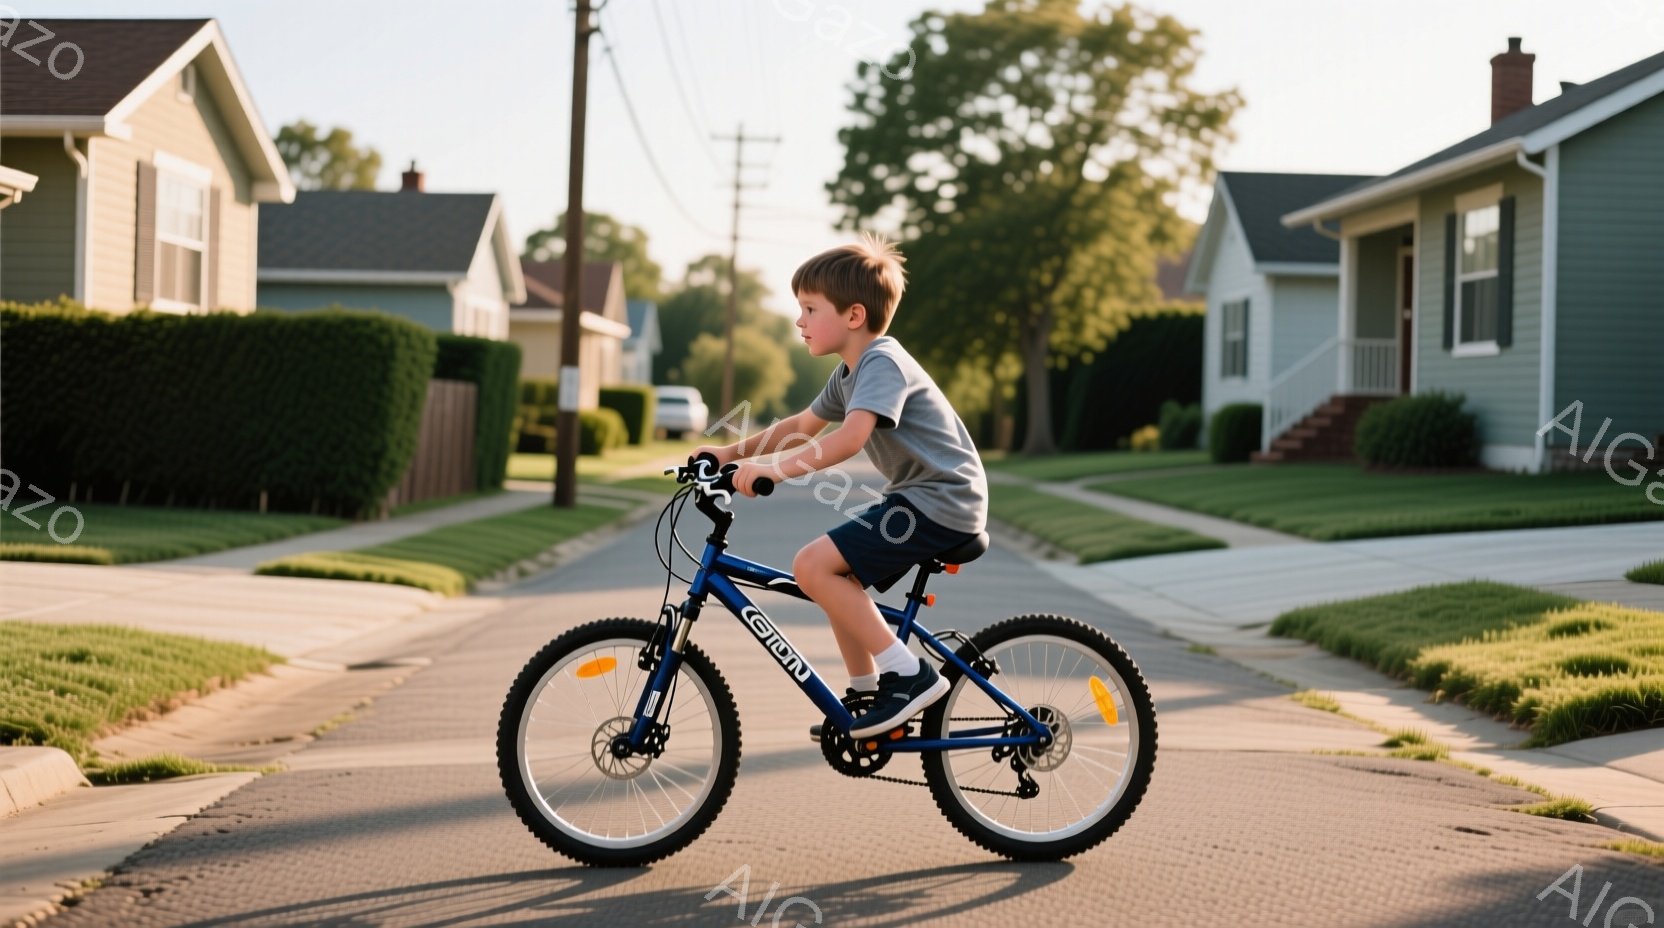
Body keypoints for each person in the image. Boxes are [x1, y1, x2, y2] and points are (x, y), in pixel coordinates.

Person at [691, 233, 989, 739]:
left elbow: (849, 440)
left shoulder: (882, 362)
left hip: (942, 501)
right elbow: (801, 425)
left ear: (853, 316)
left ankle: (909, 675)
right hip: (919, 499)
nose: (799, 321)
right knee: (834, 575)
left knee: (812, 564)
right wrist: (727, 453)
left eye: (809, 308)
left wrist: (774, 471)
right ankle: (869, 692)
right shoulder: (850, 371)